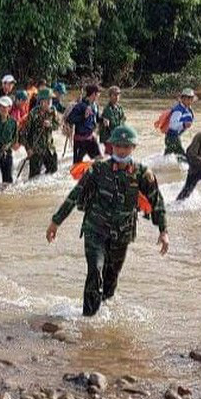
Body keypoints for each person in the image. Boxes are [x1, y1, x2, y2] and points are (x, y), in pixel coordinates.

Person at [46, 125, 169, 316]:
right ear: (111, 146)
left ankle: (103, 313)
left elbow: (157, 201)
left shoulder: (142, 173)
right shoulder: (98, 169)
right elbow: (75, 194)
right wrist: (56, 222)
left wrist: (163, 230)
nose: (122, 150)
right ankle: (87, 319)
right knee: (95, 271)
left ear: (133, 148)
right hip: (95, 229)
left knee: (111, 279)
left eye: (126, 146)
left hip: (122, 234)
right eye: (118, 146)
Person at [20, 89, 59, 178]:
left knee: (53, 174)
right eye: (47, 100)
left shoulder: (53, 111)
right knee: (34, 178)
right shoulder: (33, 114)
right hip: (36, 150)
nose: (50, 102)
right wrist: (28, 149)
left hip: (49, 149)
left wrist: (51, 125)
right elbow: (23, 134)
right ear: (41, 101)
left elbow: (57, 126)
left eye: (51, 100)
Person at [67, 84, 101, 164]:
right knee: (76, 166)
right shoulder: (80, 106)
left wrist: (103, 120)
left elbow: (97, 119)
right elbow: (70, 119)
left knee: (98, 160)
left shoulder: (95, 106)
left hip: (91, 139)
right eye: (98, 94)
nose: (99, 96)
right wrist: (83, 116)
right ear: (93, 94)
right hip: (80, 141)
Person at [165, 88, 195, 158]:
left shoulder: (187, 109)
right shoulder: (178, 111)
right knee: (181, 156)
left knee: (169, 155)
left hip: (175, 137)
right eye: (188, 98)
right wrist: (184, 124)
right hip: (172, 137)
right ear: (183, 99)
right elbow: (172, 125)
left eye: (191, 98)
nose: (189, 101)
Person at [98, 86, 126, 155]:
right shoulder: (107, 109)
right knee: (110, 156)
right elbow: (111, 126)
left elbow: (122, 122)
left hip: (116, 136)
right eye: (115, 95)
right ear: (110, 96)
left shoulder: (120, 108)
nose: (117, 97)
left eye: (118, 95)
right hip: (109, 138)